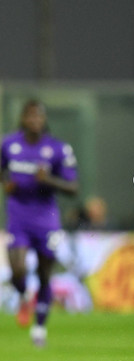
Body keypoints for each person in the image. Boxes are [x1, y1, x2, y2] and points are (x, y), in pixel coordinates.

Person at [1, 99, 78, 346]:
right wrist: (6, 183)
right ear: (23, 119)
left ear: (44, 120)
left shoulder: (57, 149)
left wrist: (50, 181)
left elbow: (73, 188)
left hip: (47, 220)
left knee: (45, 274)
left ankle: (39, 329)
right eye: (30, 116)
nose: (35, 120)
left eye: (39, 116)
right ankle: (23, 295)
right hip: (18, 217)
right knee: (18, 269)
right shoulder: (8, 144)